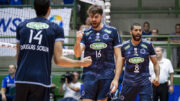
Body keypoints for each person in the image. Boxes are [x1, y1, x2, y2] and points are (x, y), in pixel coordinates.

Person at [15, 0, 92, 101]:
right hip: (41, 80)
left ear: (34, 8)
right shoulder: (55, 28)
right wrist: (81, 63)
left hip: (21, 78)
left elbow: (18, 56)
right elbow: (58, 60)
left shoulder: (21, 26)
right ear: (49, 9)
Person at [74, 5, 122, 101]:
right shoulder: (86, 33)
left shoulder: (112, 31)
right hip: (89, 74)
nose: (93, 19)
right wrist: (78, 41)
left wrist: (116, 79)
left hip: (106, 75)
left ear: (102, 16)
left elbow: (119, 57)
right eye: (91, 17)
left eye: (96, 17)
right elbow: (77, 54)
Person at [113, 23, 160, 101]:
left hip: (144, 82)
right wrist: (116, 79)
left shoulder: (148, 45)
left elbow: (155, 63)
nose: (138, 32)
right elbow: (120, 64)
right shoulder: (124, 46)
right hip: (129, 82)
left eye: (140, 30)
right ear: (131, 32)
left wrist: (157, 76)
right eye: (136, 30)